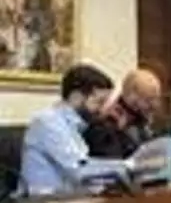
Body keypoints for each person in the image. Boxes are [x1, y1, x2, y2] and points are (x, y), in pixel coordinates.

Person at [20, 64, 117, 195]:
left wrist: (125, 169)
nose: (101, 109)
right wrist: (125, 168)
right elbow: (78, 171)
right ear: (76, 96)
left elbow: (86, 169)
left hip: (67, 199)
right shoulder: (47, 122)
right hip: (41, 202)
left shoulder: (74, 127)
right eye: (99, 102)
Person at [83, 68, 161, 159]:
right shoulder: (106, 124)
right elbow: (114, 159)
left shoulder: (140, 124)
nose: (155, 105)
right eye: (149, 99)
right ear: (133, 96)